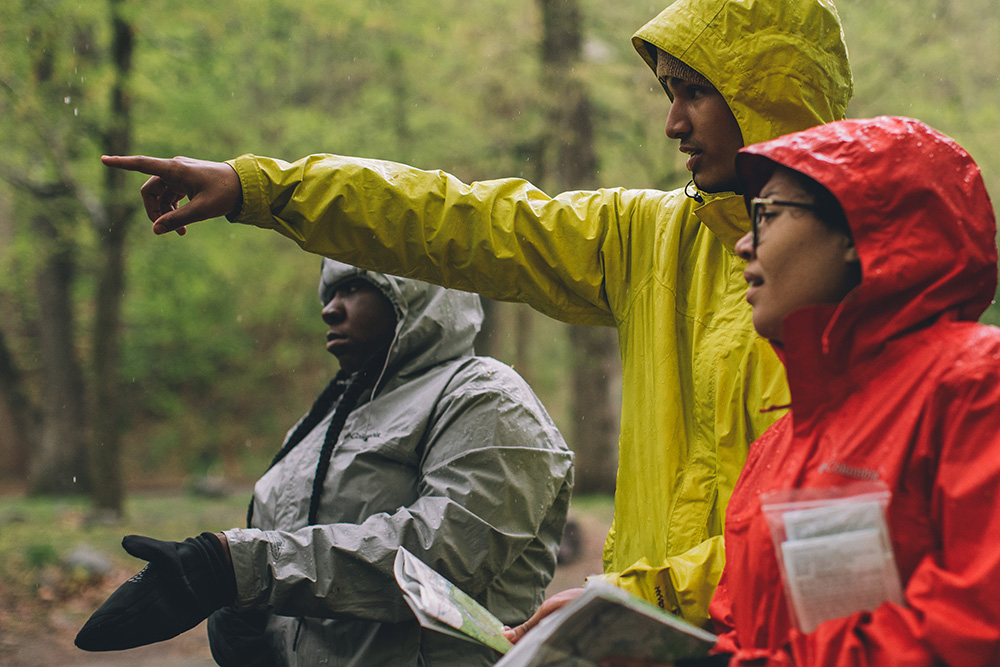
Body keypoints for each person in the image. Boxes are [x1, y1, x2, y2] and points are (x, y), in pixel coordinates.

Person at [102, 0, 853, 628]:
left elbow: (832, 532)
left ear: (764, 92)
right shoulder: (651, 240)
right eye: (668, 94)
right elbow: (458, 218)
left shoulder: (858, 280)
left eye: (696, 93)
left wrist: (628, 605)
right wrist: (257, 188)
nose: (673, 123)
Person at [75, 259, 575, 666]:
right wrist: (248, 621)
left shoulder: (485, 395)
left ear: (419, 290)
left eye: (355, 287)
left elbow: (443, 559)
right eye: (327, 294)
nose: (329, 310)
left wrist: (235, 568)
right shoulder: (329, 415)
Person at [693, 116, 999, 666]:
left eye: (766, 215)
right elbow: (741, 627)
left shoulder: (975, 384)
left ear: (862, 235)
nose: (743, 245)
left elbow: (976, 619)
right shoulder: (778, 443)